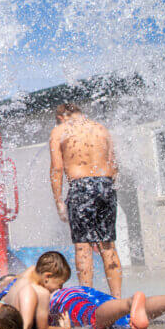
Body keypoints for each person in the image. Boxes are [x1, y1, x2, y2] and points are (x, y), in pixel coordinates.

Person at [49, 103, 123, 298]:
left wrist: (59, 202)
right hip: (106, 186)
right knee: (108, 245)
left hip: (81, 187)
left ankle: (87, 299)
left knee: (83, 246)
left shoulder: (60, 130)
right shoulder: (101, 129)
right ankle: (117, 299)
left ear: (61, 117)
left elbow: (57, 169)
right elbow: (114, 165)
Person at [50, 284, 165, 329]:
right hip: (82, 290)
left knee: (93, 318)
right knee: (123, 315)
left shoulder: (45, 296)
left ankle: (130, 303)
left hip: (64, 301)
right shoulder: (69, 288)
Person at [0, 251, 73, 329]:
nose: (60, 288)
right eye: (60, 284)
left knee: (9, 280)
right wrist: (65, 328)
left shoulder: (31, 270)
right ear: (47, 276)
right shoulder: (43, 293)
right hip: (11, 325)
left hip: (2, 298)